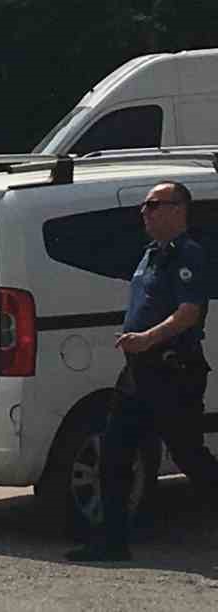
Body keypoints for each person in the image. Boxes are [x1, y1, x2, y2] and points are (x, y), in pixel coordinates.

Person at [68, 180, 218, 563]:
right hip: (139, 371)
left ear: (177, 209)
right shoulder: (151, 254)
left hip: (173, 370)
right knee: (115, 453)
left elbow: (190, 312)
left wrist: (148, 338)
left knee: (189, 455)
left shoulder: (188, 255)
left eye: (153, 206)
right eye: (145, 206)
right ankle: (112, 542)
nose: (144, 213)